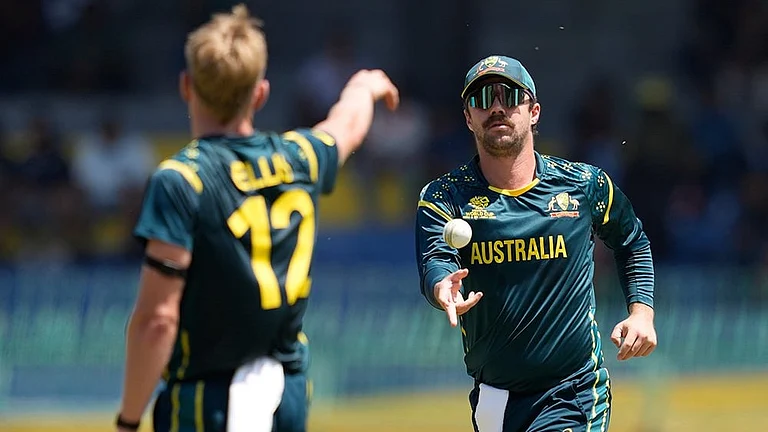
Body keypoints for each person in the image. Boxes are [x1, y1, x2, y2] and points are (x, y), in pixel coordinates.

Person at [115, 5, 399, 432]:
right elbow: (346, 126)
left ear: (186, 86)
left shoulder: (181, 180)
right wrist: (364, 86)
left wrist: (128, 420)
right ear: (261, 94)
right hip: (286, 395)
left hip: (208, 402)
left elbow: (157, 321)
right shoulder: (300, 157)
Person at [414, 55, 656, 432]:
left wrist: (641, 312)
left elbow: (632, 241)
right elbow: (436, 258)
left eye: (510, 96)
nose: (496, 107)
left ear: (534, 112)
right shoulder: (444, 196)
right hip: (494, 399)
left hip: (574, 390)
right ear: (468, 118)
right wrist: (442, 286)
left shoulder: (583, 185)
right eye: (482, 99)